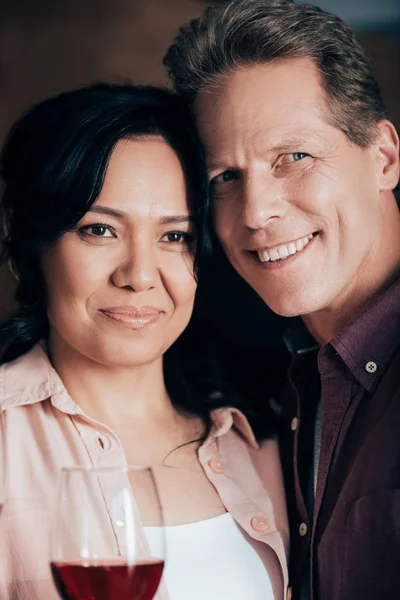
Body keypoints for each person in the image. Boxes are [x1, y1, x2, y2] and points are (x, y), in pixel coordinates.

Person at [0, 82, 289, 600]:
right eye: (99, 230)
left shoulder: (255, 437)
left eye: (174, 236)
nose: (139, 275)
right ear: (32, 248)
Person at [164, 1, 400, 599]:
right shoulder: (289, 385)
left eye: (293, 157)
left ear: (384, 157)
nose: (256, 212)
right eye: (226, 178)